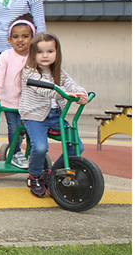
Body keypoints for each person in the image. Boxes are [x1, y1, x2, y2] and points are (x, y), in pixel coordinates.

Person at [19, 32, 88, 198]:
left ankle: (53, 173)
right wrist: (65, 93)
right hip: (34, 116)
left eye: (50, 51)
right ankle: (35, 175)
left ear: (57, 53)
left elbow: (71, 84)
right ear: (32, 54)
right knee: (41, 147)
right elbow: (45, 88)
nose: (45, 55)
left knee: (77, 145)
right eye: (40, 52)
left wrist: (81, 93)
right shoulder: (29, 72)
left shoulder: (59, 72)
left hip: (56, 115)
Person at [0, 13, 36, 168]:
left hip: (29, 102)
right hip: (9, 101)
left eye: (25, 36)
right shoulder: (6, 56)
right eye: (15, 37)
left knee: (29, 128)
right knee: (13, 126)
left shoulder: (34, 57)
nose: (20, 40)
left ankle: (31, 153)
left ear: (32, 39)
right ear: (9, 40)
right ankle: (16, 152)